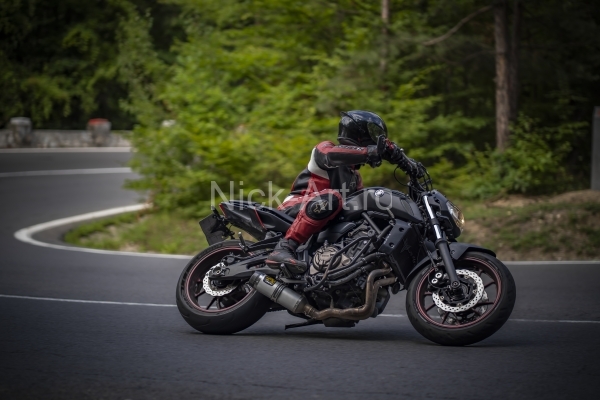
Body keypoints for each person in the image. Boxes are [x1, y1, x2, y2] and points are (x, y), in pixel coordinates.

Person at [265, 110, 407, 274]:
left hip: (321, 222)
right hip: (293, 209)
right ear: (360, 134)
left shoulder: (355, 177)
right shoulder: (325, 149)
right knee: (333, 198)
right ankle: (284, 247)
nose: (375, 140)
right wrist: (369, 152)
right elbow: (331, 156)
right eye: (373, 135)